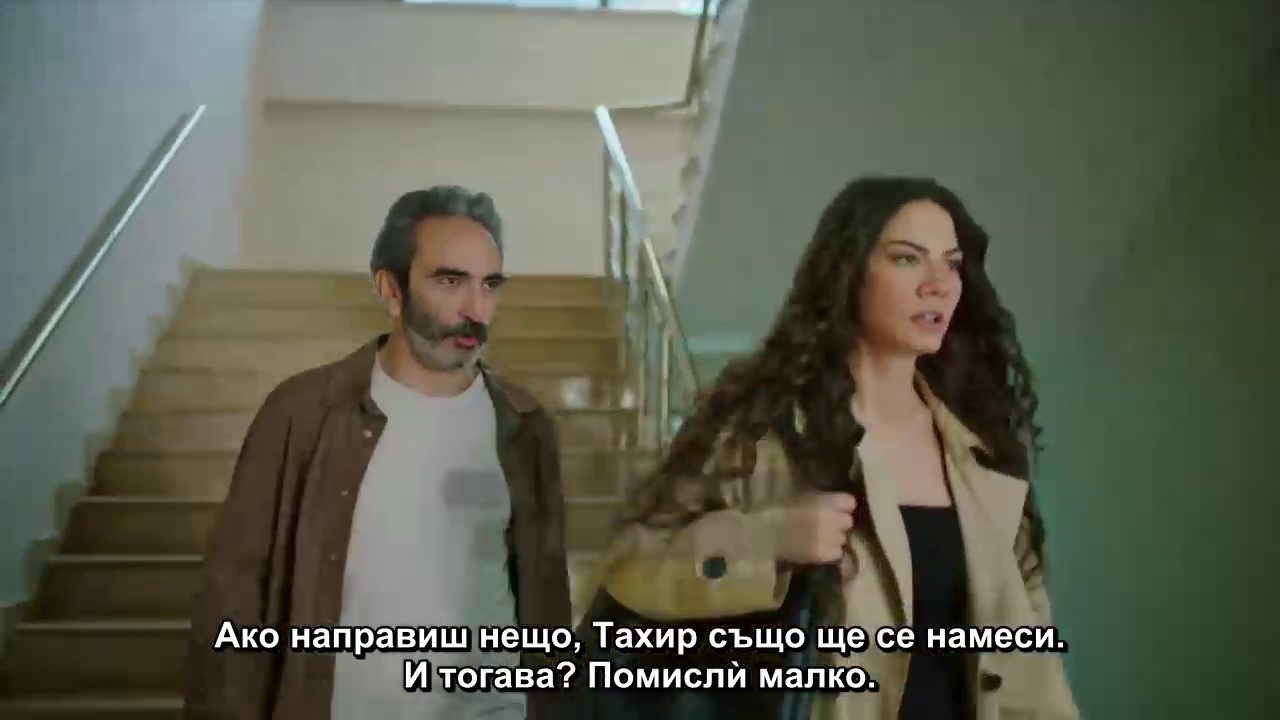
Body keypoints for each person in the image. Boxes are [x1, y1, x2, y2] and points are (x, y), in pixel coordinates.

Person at [589, 176, 1079, 719]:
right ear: (848, 272)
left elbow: (1032, 664)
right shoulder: (767, 430)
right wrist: (768, 539)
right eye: (907, 259)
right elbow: (632, 561)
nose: (938, 285)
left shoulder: (979, 450)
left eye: (953, 264)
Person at [184, 186, 572, 720]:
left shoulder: (525, 427)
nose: (475, 309)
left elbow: (545, 605)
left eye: (489, 285)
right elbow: (233, 597)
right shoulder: (304, 414)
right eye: (450, 281)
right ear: (391, 290)